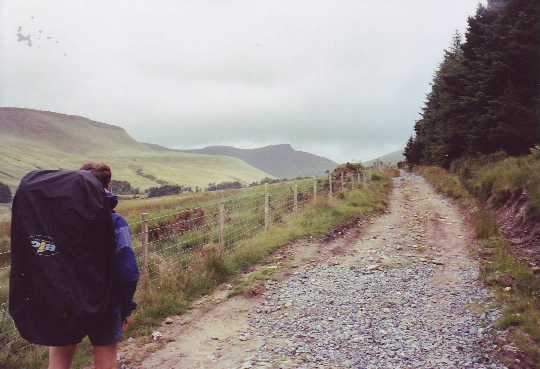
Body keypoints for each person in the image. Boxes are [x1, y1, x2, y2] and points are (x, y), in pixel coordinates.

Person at [48, 163, 139, 369]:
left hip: (66, 301)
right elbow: (128, 272)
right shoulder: (116, 222)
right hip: (105, 302)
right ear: (108, 187)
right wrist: (125, 308)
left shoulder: (59, 222)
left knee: (59, 361)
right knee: (106, 358)